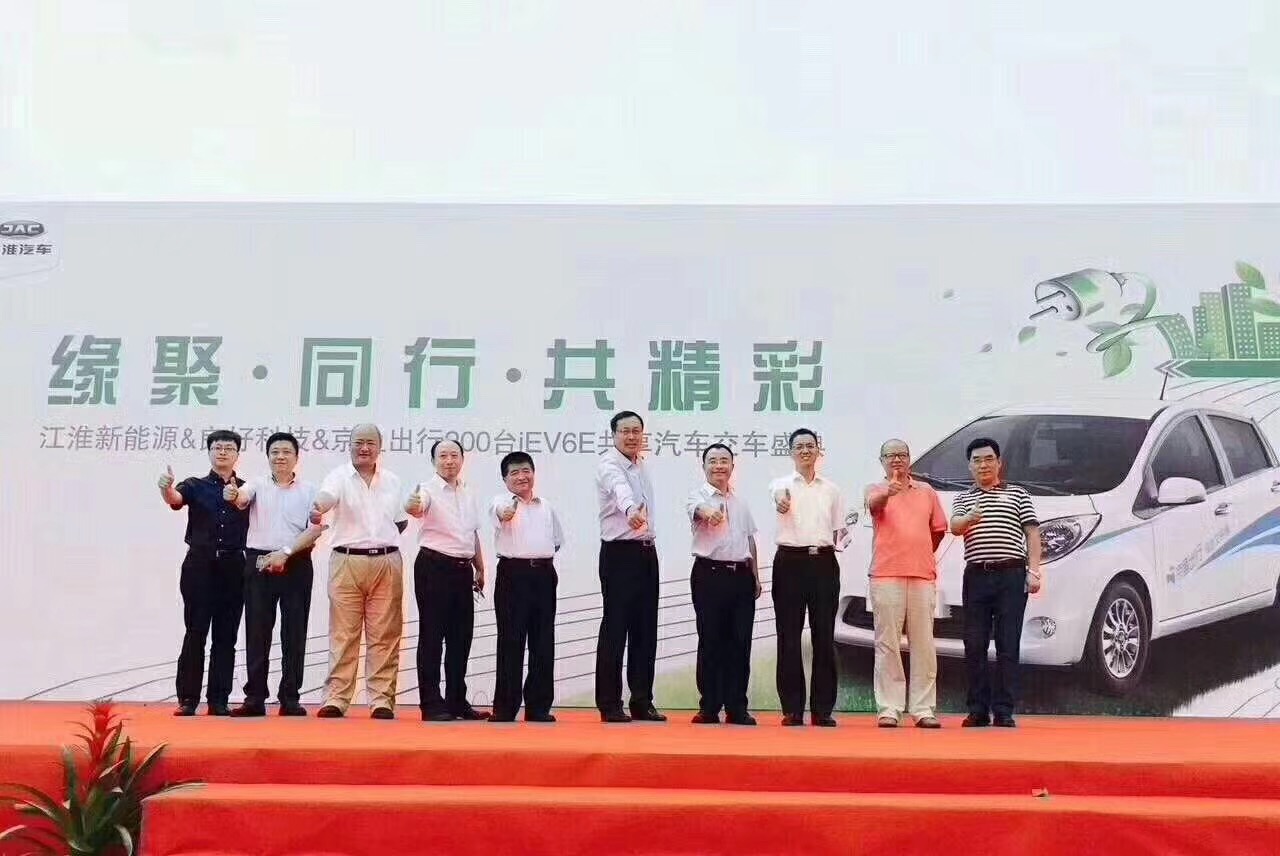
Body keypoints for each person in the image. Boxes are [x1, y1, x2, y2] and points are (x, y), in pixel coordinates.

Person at [311, 424, 409, 720]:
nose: (364, 448)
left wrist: (381, 538)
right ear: (350, 445)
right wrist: (319, 508)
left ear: (379, 447)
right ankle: (337, 698)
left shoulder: (392, 480)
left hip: (386, 560)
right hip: (347, 560)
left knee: (385, 634)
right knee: (344, 633)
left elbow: (401, 521)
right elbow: (325, 498)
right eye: (358, 442)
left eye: (370, 443)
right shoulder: (338, 476)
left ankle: (381, 700)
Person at [229, 432, 327, 718]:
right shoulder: (256, 484)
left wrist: (286, 552)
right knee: (257, 631)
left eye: (286, 451)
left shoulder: (310, 490)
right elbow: (241, 499)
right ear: (268, 456)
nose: (280, 456)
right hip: (259, 562)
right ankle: (254, 698)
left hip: (296, 561)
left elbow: (315, 528)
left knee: (294, 631)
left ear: (296, 457)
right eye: (275, 452)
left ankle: (290, 697)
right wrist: (234, 495)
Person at [950, 437, 1042, 728]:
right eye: (976, 460)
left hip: (1011, 575)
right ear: (969, 466)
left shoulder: (1017, 494)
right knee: (974, 643)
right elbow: (954, 527)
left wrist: (1034, 571)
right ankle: (977, 709)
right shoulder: (963, 498)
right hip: (976, 575)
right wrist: (969, 518)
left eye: (989, 459)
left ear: (999, 463)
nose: (983, 465)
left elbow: (1032, 533)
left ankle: (1003, 710)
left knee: (1007, 642)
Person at [158, 429, 250, 717]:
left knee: (226, 635)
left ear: (237, 454)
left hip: (233, 566)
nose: (222, 452)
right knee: (195, 631)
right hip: (199, 565)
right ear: (209, 452)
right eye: (217, 447)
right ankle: (188, 698)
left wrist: (237, 498)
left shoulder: (247, 489)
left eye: (228, 448)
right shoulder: (195, 485)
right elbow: (175, 499)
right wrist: (165, 489)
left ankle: (219, 699)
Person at [864, 439, 946, 729]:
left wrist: (919, 553)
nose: (897, 459)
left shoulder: (926, 491)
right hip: (886, 574)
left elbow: (938, 530)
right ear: (881, 460)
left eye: (902, 454)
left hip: (922, 575)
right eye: (891, 455)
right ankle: (889, 708)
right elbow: (874, 506)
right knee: (887, 644)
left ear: (910, 459)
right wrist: (888, 492)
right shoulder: (875, 489)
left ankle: (923, 709)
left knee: (923, 644)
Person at [406, 438, 488, 722]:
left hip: (463, 569)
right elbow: (416, 507)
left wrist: (480, 567)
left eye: (454, 455)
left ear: (462, 459)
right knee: (432, 636)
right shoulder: (426, 490)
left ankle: (456, 701)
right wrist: (412, 505)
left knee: (461, 638)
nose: (449, 461)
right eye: (443, 456)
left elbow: (472, 533)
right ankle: (430, 703)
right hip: (434, 567)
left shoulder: (468, 492)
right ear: (433, 461)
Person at [769, 428, 846, 727]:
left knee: (824, 636)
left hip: (823, 563)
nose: (805, 450)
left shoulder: (832, 489)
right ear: (791, 452)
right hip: (789, 562)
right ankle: (792, 708)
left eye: (810, 446)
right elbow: (778, 498)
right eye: (799, 446)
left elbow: (839, 531)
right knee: (788, 636)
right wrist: (781, 502)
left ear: (817, 451)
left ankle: (822, 709)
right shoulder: (780, 484)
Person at [594, 410, 666, 723]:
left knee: (645, 629)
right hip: (619, 555)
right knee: (616, 628)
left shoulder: (641, 465)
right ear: (614, 435)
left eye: (637, 430)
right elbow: (619, 490)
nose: (632, 436)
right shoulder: (609, 464)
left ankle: (641, 701)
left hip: (646, 553)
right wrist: (630, 511)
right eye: (625, 431)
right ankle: (610, 703)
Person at [686, 443, 761, 726]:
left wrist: (755, 576)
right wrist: (709, 512)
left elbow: (750, 541)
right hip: (710, 575)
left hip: (741, 577)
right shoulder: (697, 496)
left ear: (732, 466)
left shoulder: (740, 502)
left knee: (740, 643)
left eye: (724, 461)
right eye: (713, 461)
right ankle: (709, 706)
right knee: (711, 640)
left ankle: (737, 707)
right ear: (703, 466)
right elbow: (699, 510)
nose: (719, 466)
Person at [488, 451, 563, 723]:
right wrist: (507, 513)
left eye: (526, 471)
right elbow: (500, 513)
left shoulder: (546, 505)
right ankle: (505, 708)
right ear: (505, 479)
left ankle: (538, 707)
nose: (521, 477)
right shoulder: (500, 501)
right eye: (514, 473)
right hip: (513, 575)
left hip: (543, 574)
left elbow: (557, 540)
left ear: (533, 473)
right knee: (511, 641)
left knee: (543, 642)